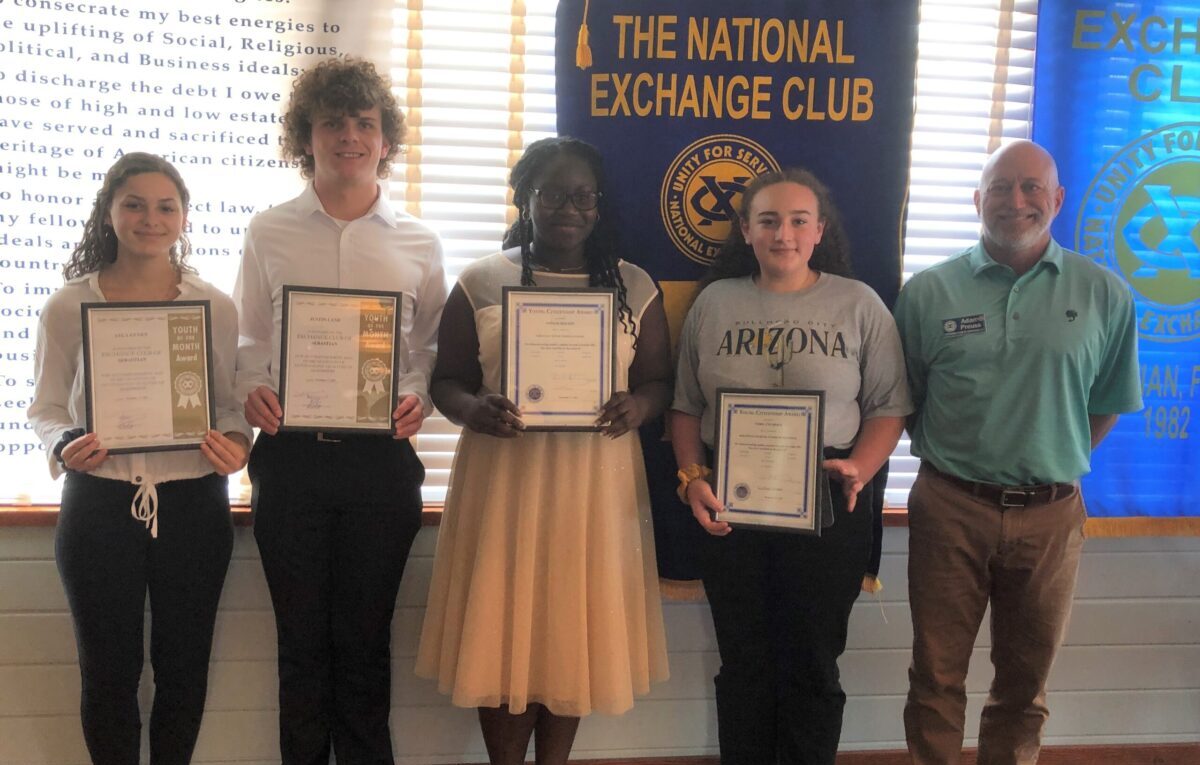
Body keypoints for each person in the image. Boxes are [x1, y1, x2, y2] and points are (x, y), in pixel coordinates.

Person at [415, 136, 672, 764]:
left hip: (595, 486)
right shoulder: (480, 281)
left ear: (600, 204)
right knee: (503, 631)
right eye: (552, 193)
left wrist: (637, 407)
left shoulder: (634, 286)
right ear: (526, 199)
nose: (569, 207)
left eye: (584, 195)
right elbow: (445, 380)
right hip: (506, 480)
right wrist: (475, 410)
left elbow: (659, 382)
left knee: (573, 628)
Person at [895, 140, 1142, 765]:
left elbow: (1108, 400)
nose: (1016, 201)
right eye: (1001, 188)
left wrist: (1050, 456)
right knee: (936, 676)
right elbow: (905, 399)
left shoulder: (1106, 295)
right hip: (950, 507)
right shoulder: (927, 293)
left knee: (1024, 687)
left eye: (1032, 187)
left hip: (1053, 518)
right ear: (978, 200)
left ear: (1057, 200)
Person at [233, 58, 447, 765]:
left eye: (365, 123)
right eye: (333, 122)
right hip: (290, 460)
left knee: (364, 642)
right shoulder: (269, 230)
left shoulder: (418, 240)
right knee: (300, 645)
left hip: (380, 466)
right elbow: (249, 338)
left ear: (386, 139)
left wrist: (415, 393)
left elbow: (427, 348)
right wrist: (251, 388)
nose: (349, 136)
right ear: (307, 136)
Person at [670, 168, 911, 764]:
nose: (785, 233)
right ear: (746, 231)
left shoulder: (859, 304)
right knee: (745, 661)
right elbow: (684, 407)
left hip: (831, 505)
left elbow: (889, 406)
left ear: (819, 230)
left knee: (812, 662)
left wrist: (860, 464)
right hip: (733, 504)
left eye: (799, 220)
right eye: (769, 220)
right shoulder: (715, 302)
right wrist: (691, 479)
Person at [28, 152, 251, 765]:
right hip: (98, 504)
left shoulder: (214, 306)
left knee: (184, 670)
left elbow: (230, 408)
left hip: (193, 504)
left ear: (183, 218)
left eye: (165, 206)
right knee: (107, 674)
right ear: (109, 213)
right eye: (134, 204)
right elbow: (45, 408)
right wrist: (63, 443)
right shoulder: (68, 306)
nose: (150, 219)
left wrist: (236, 448)